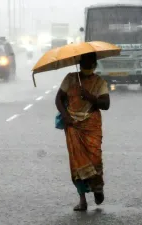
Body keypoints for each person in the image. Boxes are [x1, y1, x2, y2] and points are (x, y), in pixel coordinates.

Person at [55, 52, 110, 211]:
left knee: (95, 159)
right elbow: (58, 98)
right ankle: (82, 200)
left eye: (90, 63)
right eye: (84, 63)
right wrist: (65, 116)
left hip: (91, 126)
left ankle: (97, 187)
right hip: (72, 125)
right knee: (77, 164)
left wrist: (89, 96)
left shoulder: (99, 83)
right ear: (80, 64)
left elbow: (106, 104)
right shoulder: (70, 79)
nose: (87, 66)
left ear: (94, 65)